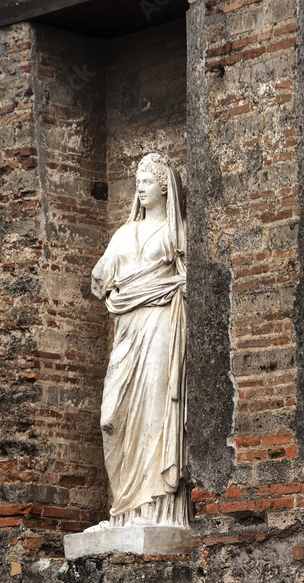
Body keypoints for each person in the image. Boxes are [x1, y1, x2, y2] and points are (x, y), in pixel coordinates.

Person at [88, 152, 188, 530]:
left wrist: (171, 285)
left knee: (155, 408)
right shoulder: (122, 234)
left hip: (161, 323)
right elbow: (99, 281)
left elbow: (190, 279)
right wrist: (120, 286)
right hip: (128, 327)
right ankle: (123, 508)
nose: (140, 188)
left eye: (147, 182)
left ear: (164, 187)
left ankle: (156, 509)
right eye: (137, 183)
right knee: (112, 416)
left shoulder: (176, 233)